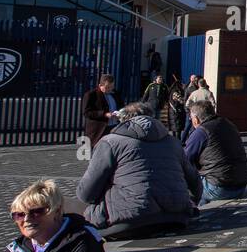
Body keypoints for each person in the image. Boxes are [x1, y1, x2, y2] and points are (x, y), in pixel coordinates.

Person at [76, 102, 201, 239]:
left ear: (124, 120)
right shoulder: (173, 142)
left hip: (130, 221)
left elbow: (86, 194)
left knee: (73, 209)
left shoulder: (110, 142)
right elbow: (195, 182)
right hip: (176, 217)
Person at [185, 101, 247, 204]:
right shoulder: (228, 123)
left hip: (220, 188)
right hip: (240, 186)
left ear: (196, 119)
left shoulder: (201, 132)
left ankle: (196, 212)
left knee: (186, 187)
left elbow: (184, 160)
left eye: (191, 118)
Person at [82, 73, 122, 147]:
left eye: (112, 87)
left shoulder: (115, 94)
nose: (110, 89)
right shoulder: (91, 95)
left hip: (114, 127)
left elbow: (121, 106)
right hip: (99, 130)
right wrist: (105, 114)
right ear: (100, 85)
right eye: (107, 87)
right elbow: (87, 112)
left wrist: (120, 113)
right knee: (97, 153)